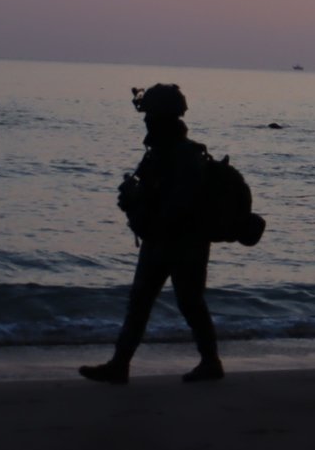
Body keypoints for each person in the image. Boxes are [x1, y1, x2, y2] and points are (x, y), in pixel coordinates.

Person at [80, 84, 223, 385]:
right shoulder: (161, 151)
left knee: (188, 302)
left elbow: (180, 202)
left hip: (182, 241)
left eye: (149, 114)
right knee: (144, 302)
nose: (145, 119)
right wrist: (134, 198)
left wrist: (142, 203)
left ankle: (210, 362)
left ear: (163, 117)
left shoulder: (182, 155)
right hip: (165, 239)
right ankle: (120, 365)